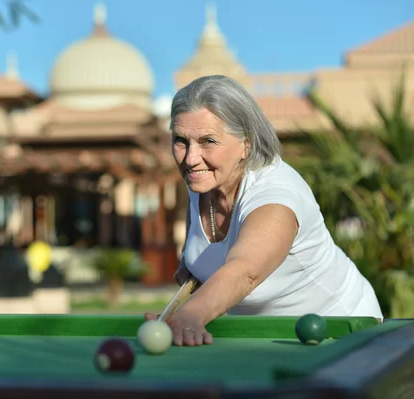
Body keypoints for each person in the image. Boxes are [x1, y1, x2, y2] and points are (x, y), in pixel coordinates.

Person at [144, 75, 383, 347]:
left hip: (339, 331)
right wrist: (192, 269)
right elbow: (197, 257)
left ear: (246, 143)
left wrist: (191, 314)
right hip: (262, 338)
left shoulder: (277, 194)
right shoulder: (201, 181)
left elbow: (245, 270)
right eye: (180, 140)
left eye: (208, 141)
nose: (190, 158)